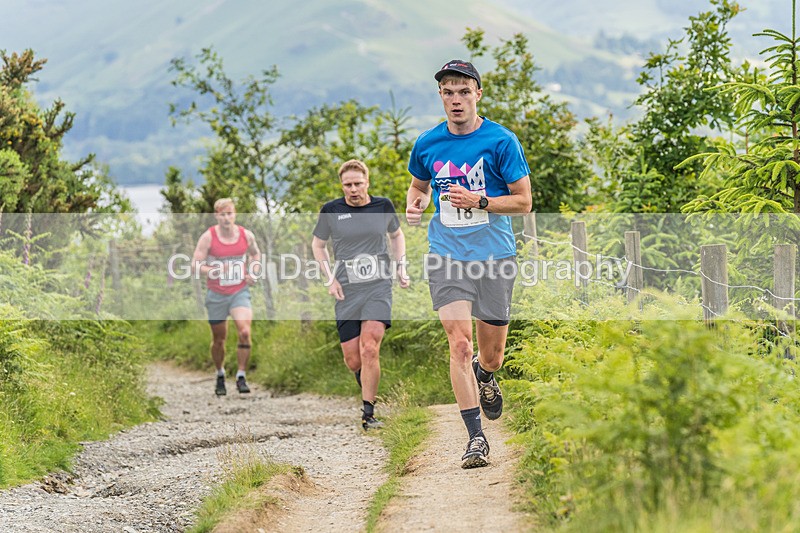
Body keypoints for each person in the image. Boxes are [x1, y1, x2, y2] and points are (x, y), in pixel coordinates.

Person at [405, 60, 532, 468]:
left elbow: (524, 202)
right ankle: (476, 438)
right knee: (459, 343)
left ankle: (487, 374)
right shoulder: (427, 143)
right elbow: (418, 186)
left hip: (494, 255)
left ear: (478, 94)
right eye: (448, 92)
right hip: (447, 254)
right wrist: (418, 202)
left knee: (490, 355)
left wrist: (479, 201)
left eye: (463, 91)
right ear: (440, 96)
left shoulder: (502, 141)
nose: (456, 99)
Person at [312, 159, 410, 430]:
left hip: (378, 286)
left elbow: (397, 235)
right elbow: (318, 246)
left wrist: (401, 266)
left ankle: (369, 413)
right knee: (353, 359)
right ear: (341, 185)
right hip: (346, 289)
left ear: (367, 182)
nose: (353, 189)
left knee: (369, 349)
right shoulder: (331, 210)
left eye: (357, 183)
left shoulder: (383, 206)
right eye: (347, 185)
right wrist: (329, 278)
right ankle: (366, 382)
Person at [192, 198, 261, 396]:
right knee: (219, 339)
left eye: (229, 213)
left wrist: (253, 273)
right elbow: (195, 265)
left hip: (239, 291)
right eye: (222, 214)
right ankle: (220, 373)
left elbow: (256, 255)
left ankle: (241, 375)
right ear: (216, 216)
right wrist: (214, 270)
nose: (226, 218)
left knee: (245, 332)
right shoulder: (208, 237)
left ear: (235, 214)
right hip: (216, 294)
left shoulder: (246, 235)